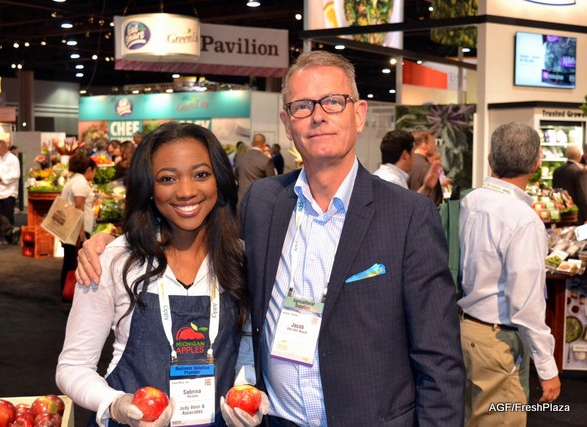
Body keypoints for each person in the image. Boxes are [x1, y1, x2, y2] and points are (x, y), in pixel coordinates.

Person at [76, 51, 465, 426]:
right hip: (273, 419)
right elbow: (197, 229)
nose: (318, 116)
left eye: (333, 101)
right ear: (287, 122)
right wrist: (109, 243)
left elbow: (439, 360)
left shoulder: (407, 215)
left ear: (359, 113)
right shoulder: (263, 203)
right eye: (302, 106)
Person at [56, 122, 267, 427]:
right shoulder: (115, 260)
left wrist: (245, 391)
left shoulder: (240, 258)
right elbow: (73, 366)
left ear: (219, 180)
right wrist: (115, 404)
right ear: (148, 188)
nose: (186, 191)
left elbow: (245, 349)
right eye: (167, 178)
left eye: (200, 174)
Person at [458, 122, 561, 426]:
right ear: (536, 163)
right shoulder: (524, 219)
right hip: (498, 341)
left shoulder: (470, 201)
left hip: (464, 329)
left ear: (490, 158)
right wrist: (547, 367)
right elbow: (526, 304)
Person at [59, 153, 97, 299]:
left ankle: (66, 290)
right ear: (89, 169)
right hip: (76, 229)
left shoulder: (72, 180)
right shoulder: (80, 182)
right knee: (74, 262)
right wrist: (81, 231)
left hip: (69, 226)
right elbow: (79, 206)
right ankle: (70, 293)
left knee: (69, 261)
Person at [373, 129, 440, 193]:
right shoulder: (393, 181)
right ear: (405, 155)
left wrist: (426, 188)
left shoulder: (382, 175)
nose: (414, 156)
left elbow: (407, 200)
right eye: (413, 152)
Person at [234, 133, 275, 205]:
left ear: (252, 143)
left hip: (240, 199)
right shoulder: (266, 160)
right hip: (258, 201)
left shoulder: (240, 158)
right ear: (264, 144)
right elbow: (272, 183)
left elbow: (235, 177)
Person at [552, 144, 587, 224]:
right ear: (580, 156)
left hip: (561, 213)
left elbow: (554, 190)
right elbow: (583, 196)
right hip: (577, 216)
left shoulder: (557, 170)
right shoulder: (580, 171)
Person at [408, 130, 444, 205]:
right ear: (424, 145)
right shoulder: (430, 170)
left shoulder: (406, 166)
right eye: (432, 143)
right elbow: (435, 203)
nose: (435, 147)